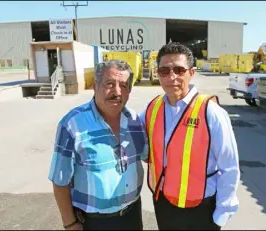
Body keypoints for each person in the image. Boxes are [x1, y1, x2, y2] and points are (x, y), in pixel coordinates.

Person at [139, 42, 240, 230]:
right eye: (164, 71)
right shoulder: (152, 108)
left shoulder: (211, 111)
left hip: (201, 207)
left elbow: (230, 166)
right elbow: (134, 137)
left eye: (179, 70)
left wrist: (222, 212)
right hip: (163, 203)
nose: (172, 77)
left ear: (191, 73)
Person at [48, 60, 148, 230]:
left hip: (132, 216)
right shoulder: (72, 124)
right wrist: (70, 223)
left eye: (124, 85)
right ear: (95, 86)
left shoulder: (134, 120)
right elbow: (60, 180)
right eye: (109, 84)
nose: (117, 92)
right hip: (94, 222)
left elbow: (147, 156)